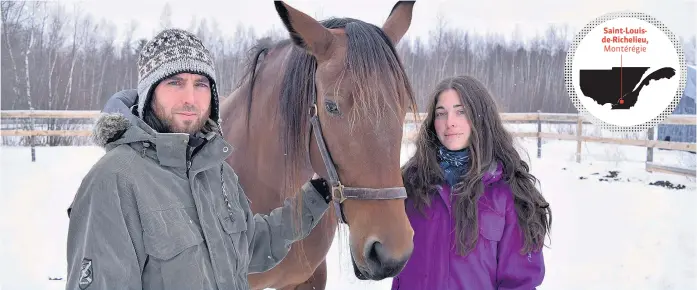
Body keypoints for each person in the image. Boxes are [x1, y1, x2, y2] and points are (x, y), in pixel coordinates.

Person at [65, 28, 332, 290]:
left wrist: (311, 202)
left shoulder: (215, 172)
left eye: (201, 84)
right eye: (175, 82)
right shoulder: (114, 180)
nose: (190, 99)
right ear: (149, 92)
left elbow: (247, 248)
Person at [392, 75, 552, 290]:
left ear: (480, 117)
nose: (450, 122)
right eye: (441, 113)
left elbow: (520, 282)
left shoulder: (509, 192)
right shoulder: (410, 185)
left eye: (461, 111)